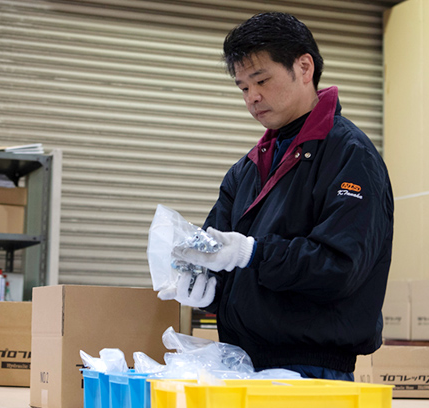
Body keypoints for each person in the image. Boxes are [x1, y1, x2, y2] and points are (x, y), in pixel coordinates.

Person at [168, 12, 394, 381]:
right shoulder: (246, 169)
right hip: (241, 363)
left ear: (304, 68)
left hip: (312, 370)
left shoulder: (351, 156)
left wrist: (253, 253)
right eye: (243, 88)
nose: (252, 97)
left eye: (261, 80)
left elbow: (340, 268)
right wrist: (205, 287)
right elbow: (218, 252)